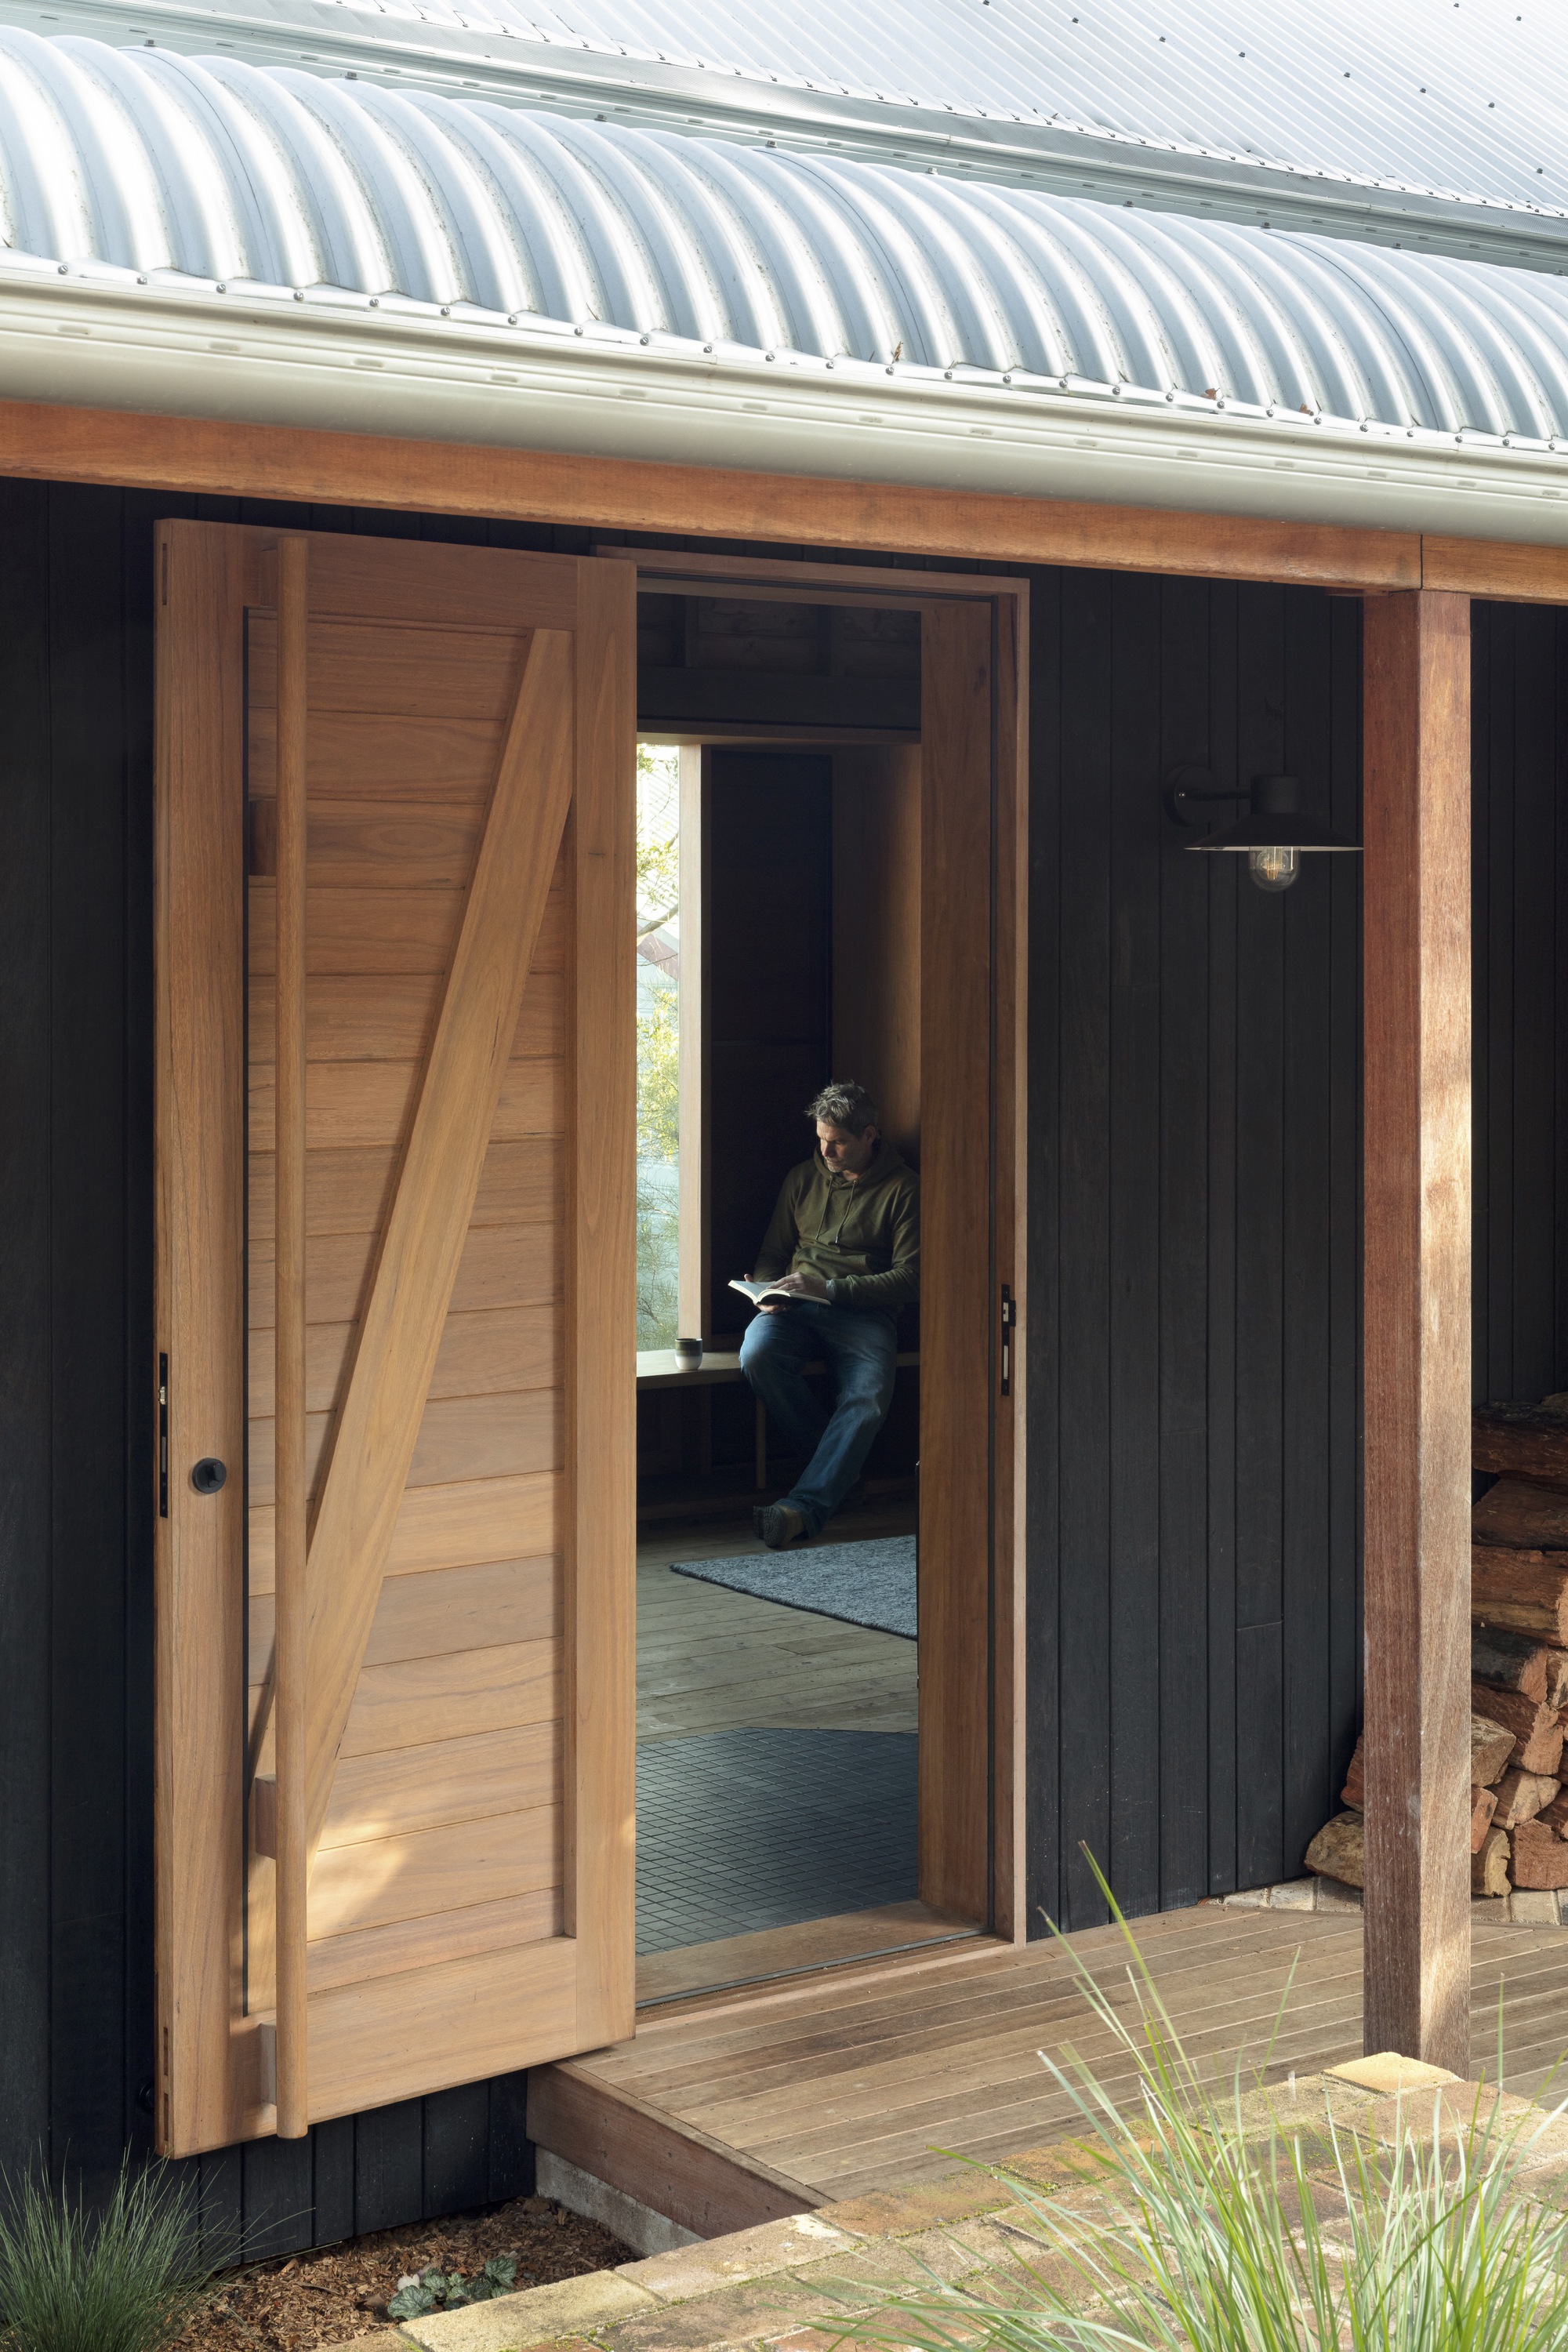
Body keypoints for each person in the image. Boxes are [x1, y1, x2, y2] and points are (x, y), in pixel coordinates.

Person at [740, 1080, 920, 1549]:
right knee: (756, 1356)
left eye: (838, 1141)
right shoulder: (803, 1177)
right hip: (793, 1306)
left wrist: (833, 1289)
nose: (827, 1150)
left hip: (864, 1314)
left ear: (870, 1136)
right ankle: (843, 1474)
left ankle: (802, 1509)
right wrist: (765, 1292)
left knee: (868, 1396)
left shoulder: (904, 1190)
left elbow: (912, 1278)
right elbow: (773, 1251)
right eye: (821, 1138)